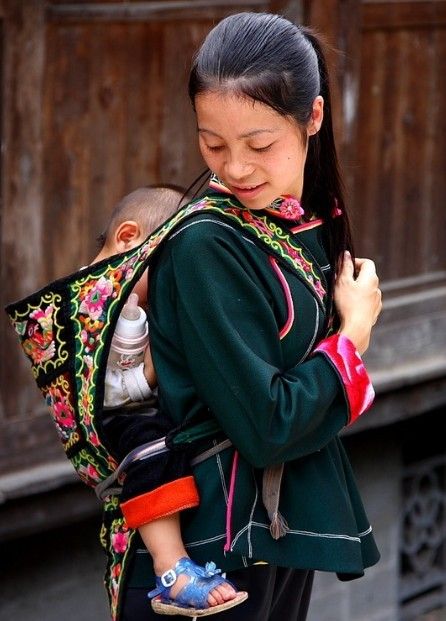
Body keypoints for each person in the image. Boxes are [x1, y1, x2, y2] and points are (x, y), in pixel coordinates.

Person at [111, 12, 383, 621]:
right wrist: (353, 335)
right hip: (209, 559)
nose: (234, 168)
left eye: (259, 145)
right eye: (213, 144)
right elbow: (268, 426)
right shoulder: (206, 242)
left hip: (267, 536)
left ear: (313, 117)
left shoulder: (292, 224)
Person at [92, 185, 247, 617]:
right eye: (168, 268)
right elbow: (119, 391)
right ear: (128, 239)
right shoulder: (109, 303)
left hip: (135, 412)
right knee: (152, 451)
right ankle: (171, 566)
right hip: (121, 420)